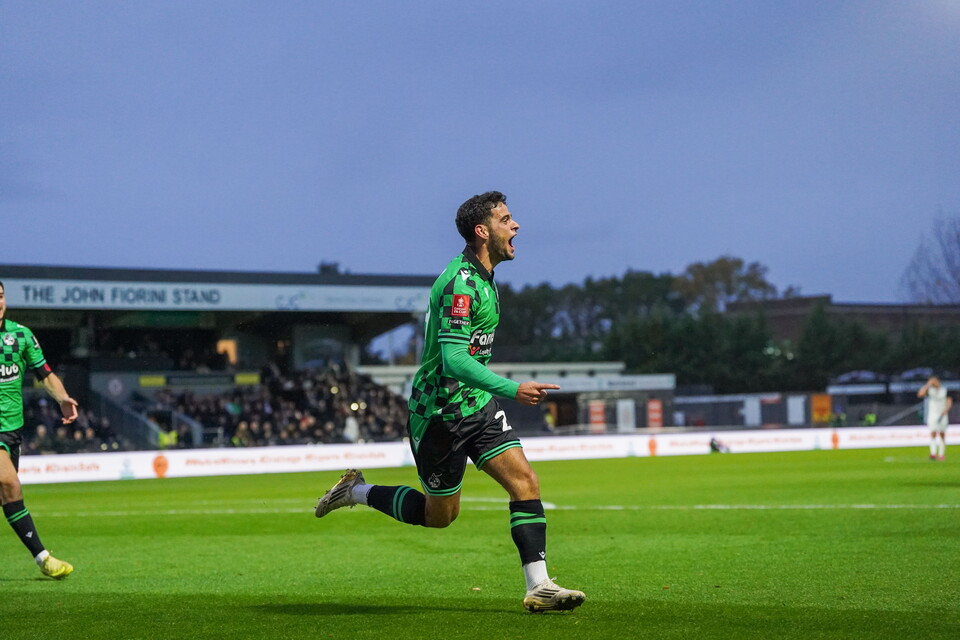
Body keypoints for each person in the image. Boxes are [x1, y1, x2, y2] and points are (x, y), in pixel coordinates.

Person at [314, 191, 585, 613]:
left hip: (477, 407)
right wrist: (512, 389)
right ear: (483, 231)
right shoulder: (460, 284)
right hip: (439, 416)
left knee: (525, 483)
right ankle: (356, 492)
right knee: (440, 515)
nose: (515, 226)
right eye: (506, 219)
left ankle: (540, 586)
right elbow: (454, 359)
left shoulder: (485, 277)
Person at [0, 280, 78, 578]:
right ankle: (43, 558)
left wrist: (62, 398)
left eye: (1, 296)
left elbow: (44, 374)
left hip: (12, 430)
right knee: (11, 485)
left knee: (5, 497)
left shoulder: (21, 335)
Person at [918, 376, 951, 461]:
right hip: (933, 414)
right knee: (933, 433)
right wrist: (928, 384)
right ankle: (933, 453)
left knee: (942, 434)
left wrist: (946, 410)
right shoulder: (929, 390)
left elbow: (949, 401)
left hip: (943, 414)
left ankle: (941, 454)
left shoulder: (945, 390)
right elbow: (920, 394)